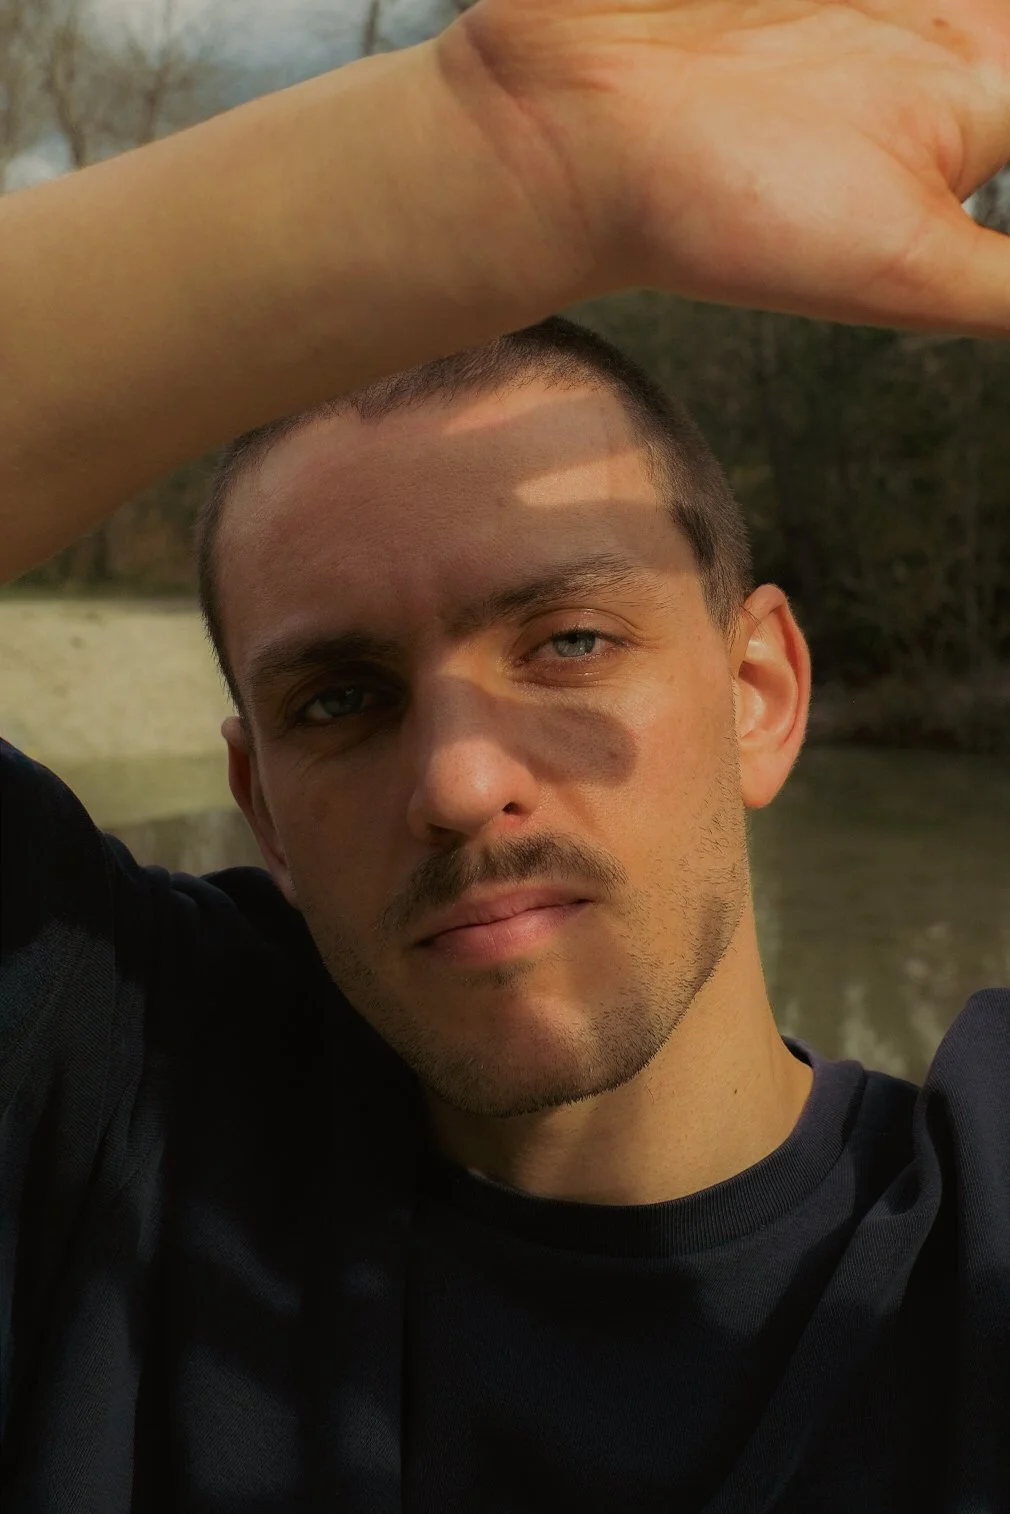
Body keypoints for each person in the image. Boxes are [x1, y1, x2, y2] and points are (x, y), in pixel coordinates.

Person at [1, 1, 1008, 1508]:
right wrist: (500, 159)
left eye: (566, 643)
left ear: (759, 691)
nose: (462, 783)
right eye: (340, 699)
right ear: (258, 806)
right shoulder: (114, 1112)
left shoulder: (985, 1228)